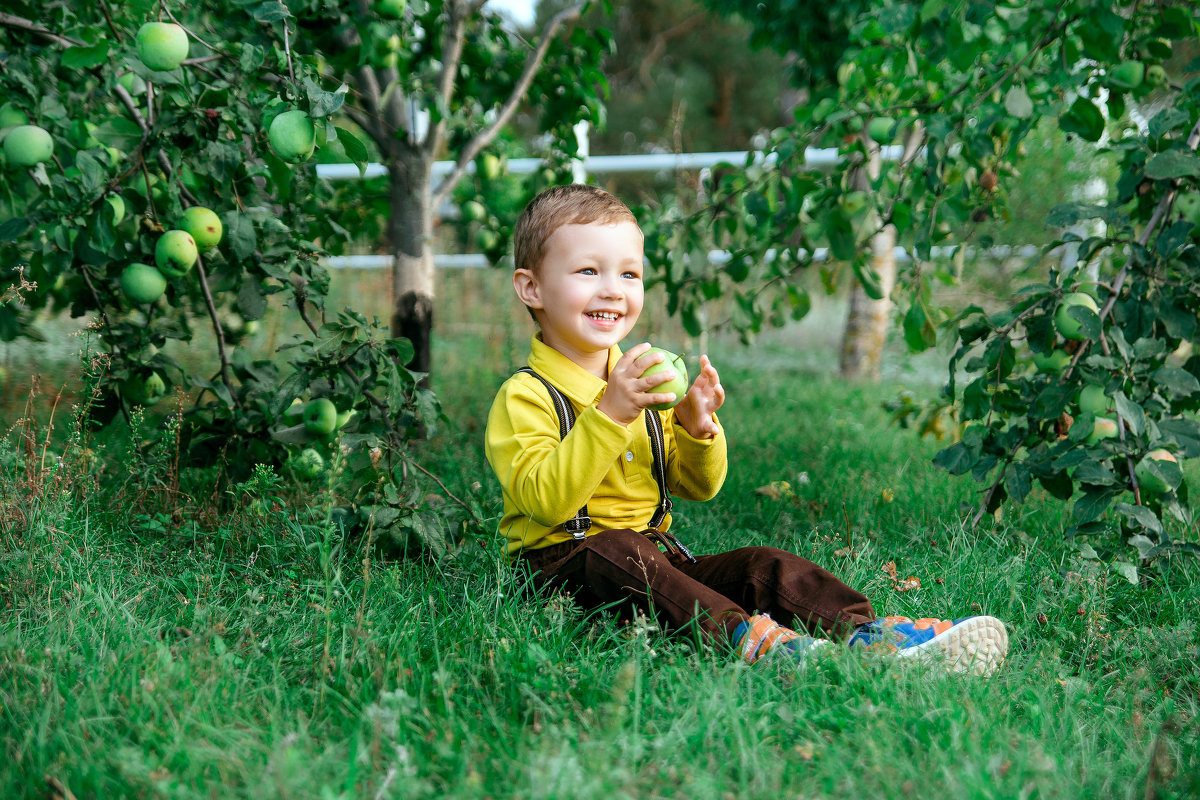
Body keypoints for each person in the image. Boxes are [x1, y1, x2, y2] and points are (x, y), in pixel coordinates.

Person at [484, 184, 1008, 675]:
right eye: (587, 272)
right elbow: (544, 501)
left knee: (762, 565)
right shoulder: (525, 396)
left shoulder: (642, 380)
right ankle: (754, 642)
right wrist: (610, 416)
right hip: (563, 571)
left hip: (656, 559)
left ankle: (866, 635)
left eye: (628, 275)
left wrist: (696, 428)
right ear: (531, 287)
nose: (613, 291)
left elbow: (699, 487)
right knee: (618, 551)